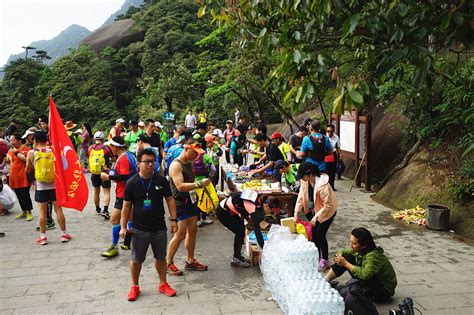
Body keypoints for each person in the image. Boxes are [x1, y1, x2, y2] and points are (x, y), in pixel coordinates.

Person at [120, 148, 178, 301]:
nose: (150, 165)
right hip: (139, 228)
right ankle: (135, 286)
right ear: (139, 163)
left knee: (161, 257)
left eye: (152, 161)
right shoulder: (132, 183)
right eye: (146, 162)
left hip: (159, 227)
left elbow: (170, 200)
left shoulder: (161, 180)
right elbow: (126, 206)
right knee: (137, 259)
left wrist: (174, 220)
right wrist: (123, 227)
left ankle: (163, 284)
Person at [166, 138, 209, 276]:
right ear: (186, 148)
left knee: (193, 230)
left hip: (191, 201)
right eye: (194, 152)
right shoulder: (176, 165)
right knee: (180, 234)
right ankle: (168, 263)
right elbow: (180, 186)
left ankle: (190, 261)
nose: (197, 156)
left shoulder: (190, 163)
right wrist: (199, 184)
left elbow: (190, 181)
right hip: (179, 202)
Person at [325, 227, 397, 302]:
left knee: (348, 292)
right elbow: (344, 252)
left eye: (354, 243)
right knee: (346, 256)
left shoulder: (373, 256)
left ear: (364, 245)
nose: (351, 245)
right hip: (371, 281)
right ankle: (325, 280)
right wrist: (338, 256)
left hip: (383, 290)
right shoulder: (360, 250)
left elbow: (365, 274)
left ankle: (367, 293)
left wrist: (345, 263)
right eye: (351, 242)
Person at [26, 131, 71, 245]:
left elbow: (27, 170)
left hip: (41, 187)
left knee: (42, 212)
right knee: (58, 210)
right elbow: (63, 166)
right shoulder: (53, 152)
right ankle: (64, 234)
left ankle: (43, 237)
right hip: (55, 185)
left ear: (34, 140)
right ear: (46, 140)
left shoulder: (31, 153)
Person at [215, 192, 278, 268]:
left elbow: (244, 207)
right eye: (272, 211)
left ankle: (237, 256)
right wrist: (265, 250)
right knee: (240, 231)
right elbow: (258, 233)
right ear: (267, 206)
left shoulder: (260, 199)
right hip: (223, 211)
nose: (272, 213)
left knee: (241, 229)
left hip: (230, 208)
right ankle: (236, 258)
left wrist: (249, 220)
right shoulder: (254, 209)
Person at [294, 162, 337, 270]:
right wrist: (296, 212)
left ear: (310, 174)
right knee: (313, 233)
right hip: (316, 209)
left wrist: (315, 218)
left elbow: (329, 205)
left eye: (303, 176)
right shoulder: (305, 182)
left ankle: (325, 260)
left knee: (320, 234)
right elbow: (301, 196)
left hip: (328, 212)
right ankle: (317, 257)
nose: (302, 178)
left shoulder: (323, 186)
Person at [100, 137, 137, 257]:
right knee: (130, 218)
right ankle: (128, 242)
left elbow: (124, 175)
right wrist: (110, 171)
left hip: (124, 193)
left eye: (111, 146)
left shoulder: (124, 158)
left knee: (114, 219)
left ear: (115, 147)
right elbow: (123, 173)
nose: (110, 149)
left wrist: (108, 177)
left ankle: (114, 246)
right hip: (129, 191)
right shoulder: (129, 155)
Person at [3, 134, 33, 221]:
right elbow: (8, 161)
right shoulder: (10, 150)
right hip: (14, 176)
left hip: (23, 176)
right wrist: (6, 160)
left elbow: (25, 159)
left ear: (19, 140)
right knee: (19, 195)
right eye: (11, 140)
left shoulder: (25, 148)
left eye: (13, 140)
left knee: (25, 195)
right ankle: (23, 211)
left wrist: (16, 152)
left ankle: (29, 212)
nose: (11, 142)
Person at [88, 131, 113, 217]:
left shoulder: (90, 148)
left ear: (95, 139)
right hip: (104, 172)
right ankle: (105, 210)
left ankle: (97, 209)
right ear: (102, 139)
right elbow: (113, 158)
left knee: (96, 191)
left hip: (94, 172)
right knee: (106, 192)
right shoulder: (106, 148)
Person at [326, 125, 341, 191]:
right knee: (326, 171)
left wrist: (340, 155)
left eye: (331, 131)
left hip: (333, 154)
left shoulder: (336, 137)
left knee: (333, 171)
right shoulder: (324, 137)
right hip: (326, 154)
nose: (329, 133)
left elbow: (338, 147)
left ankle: (332, 186)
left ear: (333, 131)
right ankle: (326, 186)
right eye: (328, 131)